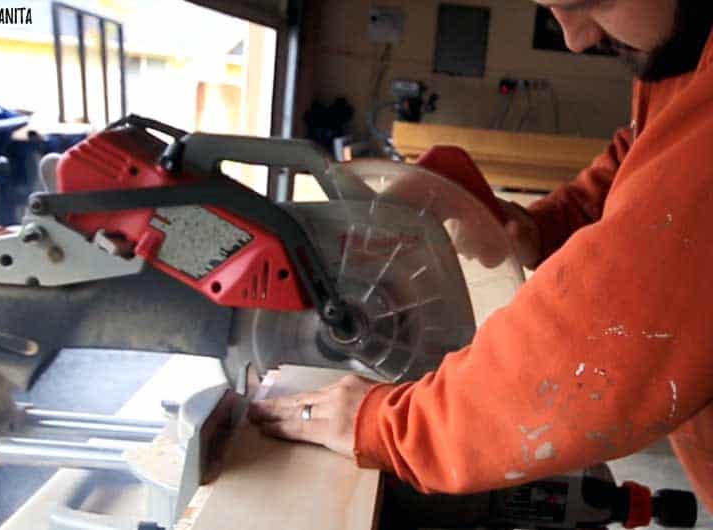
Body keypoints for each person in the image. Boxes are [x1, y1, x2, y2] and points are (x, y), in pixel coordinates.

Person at [248, 0, 713, 513]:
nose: (575, 39)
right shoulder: (682, 52)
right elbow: (644, 155)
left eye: (588, 2)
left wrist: (393, 425)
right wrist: (539, 228)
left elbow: (605, 334)